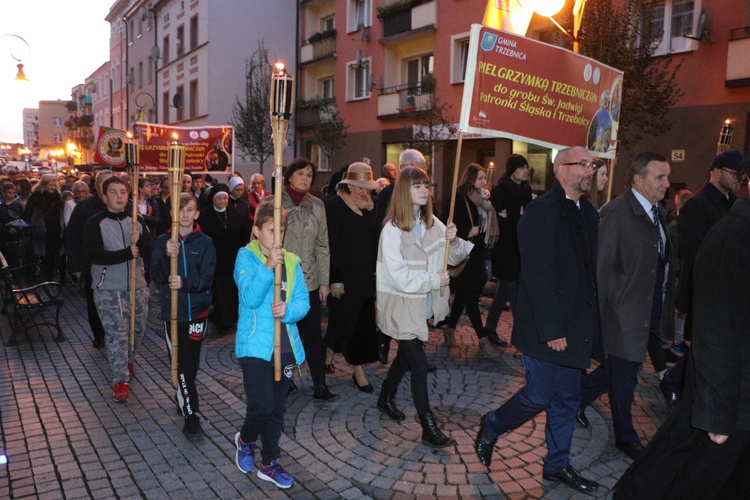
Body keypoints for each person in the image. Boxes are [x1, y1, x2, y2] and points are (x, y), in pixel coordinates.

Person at [612, 170, 750, 498]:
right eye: (659, 176)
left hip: (729, 396)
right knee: (687, 478)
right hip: (731, 400)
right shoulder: (733, 235)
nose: (664, 184)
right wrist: (716, 412)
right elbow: (716, 327)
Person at [474, 146, 601, 493]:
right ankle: (492, 425)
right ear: (562, 170)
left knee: (567, 400)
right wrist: (552, 329)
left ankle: (557, 464)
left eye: (594, 164)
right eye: (584, 164)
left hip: (575, 325)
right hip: (548, 327)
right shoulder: (541, 211)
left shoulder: (589, 213)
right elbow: (537, 274)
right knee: (538, 397)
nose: (591, 170)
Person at [577, 152, 675, 460]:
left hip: (647, 311)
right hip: (622, 314)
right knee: (625, 377)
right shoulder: (617, 213)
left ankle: (572, 398)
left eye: (667, 176)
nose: (667, 183)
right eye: (660, 177)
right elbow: (601, 269)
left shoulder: (657, 212)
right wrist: (598, 323)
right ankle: (625, 436)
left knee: (617, 371)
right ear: (638, 178)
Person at [377, 166, 472, 447]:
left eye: (426, 185)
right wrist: (433, 279)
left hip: (421, 305)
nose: (424, 190)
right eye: (417, 186)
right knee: (418, 364)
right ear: (404, 192)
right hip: (401, 304)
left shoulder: (432, 223)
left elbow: (452, 258)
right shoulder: (392, 231)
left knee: (405, 358)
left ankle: (385, 396)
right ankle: (428, 427)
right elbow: (398, 276)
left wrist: (453, 240)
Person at [233, 201, 309, 489]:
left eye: (282, 229)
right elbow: (250, 298)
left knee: (277, 409)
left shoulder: (292, 261)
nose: (277, 235)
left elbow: (303, 302)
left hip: (285, 345)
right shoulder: (246, 257)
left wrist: (287, 311)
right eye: (270, 229)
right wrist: (268, 266)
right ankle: (246, 440)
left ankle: (269, 462)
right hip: (255, 345)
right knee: (261, 405)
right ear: (256, 231)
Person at [664, 149, 744, 407]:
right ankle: (677, 387)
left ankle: (678, 386)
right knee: (701, 349)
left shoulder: (730, 202)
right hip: (705, 294)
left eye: (741, 175)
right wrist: (687, 303)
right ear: (716, 172)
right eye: (734, 174)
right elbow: (693, 258)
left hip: (721, 293)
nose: (739, 179)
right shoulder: (698, 205)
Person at [269, 158, 336, 401]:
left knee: (313, 335)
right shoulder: (273, 203)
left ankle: (320, 384)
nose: (305, 178)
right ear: (289, 176)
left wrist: (324, 282)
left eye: (309, 175)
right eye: (301, 173)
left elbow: (323, 245)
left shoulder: (317, 205)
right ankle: (283, 380)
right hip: (280, 280)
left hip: (308, 281)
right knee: (282, 334)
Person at [151, 194, 216, 438]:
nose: (185, 215)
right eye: (180, 210)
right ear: (172, 214)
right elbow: (156, 276)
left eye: (189, 210)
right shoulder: (163, 241)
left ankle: (183, 394)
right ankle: (192, 415)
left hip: (197, 313)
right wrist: (168, 257)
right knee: (181, 364)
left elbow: (208, 278)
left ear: (197, 214)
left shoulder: (206, 242)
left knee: (192, 364)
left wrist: (185, 283)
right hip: (174, 315)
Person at [84, 176, 152, 403]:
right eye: (113, 192)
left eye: (123, 192)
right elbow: (93, 254)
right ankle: (120, 380)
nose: (119, 196)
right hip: (109, 289)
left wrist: (139, 241)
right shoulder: (96, 222)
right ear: (105, 196)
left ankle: (129, 358)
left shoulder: (137, 221)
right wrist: (126, 252)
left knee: (137, 329)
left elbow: (151, 250)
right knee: (117, 335)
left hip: (137, 286)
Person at [324, 162, 381, 391]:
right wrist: (334, 277)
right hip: (343, 278)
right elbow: (330, 245)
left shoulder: (371, 206)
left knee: (347, 322)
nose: (364, 191)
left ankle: (328, 355)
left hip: (365, 277)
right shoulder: (333, 206)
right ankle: (358, 370)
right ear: (348, 186)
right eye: (359, 187)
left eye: (367, 187)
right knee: (350, 322)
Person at [441, 163, 498, 357]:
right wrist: (466, 231)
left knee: (465, 295)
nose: (484, 182)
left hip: (477, 254)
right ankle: (483, 341)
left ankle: (449, 331)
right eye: (480, 178)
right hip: (464, 255)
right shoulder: (459, 197)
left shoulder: (481, 200)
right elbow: (444, 222)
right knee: (471, 297)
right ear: (471, 179)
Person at [484, 154, 533, 347]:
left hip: (520, 248)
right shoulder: (500, 190)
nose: (525, 171)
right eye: (521, 168)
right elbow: (500, 223)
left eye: (526, 168)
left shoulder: (526, 191)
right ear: (512, 170)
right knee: (515, 296)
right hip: (504, 250)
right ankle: (524, 339)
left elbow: (527, 220)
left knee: (502, 293)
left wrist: (513, 217)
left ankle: (489, 329)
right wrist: (516, 218)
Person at [66, 170, 113, 348]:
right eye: (104, 183)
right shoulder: (84, 207)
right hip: (91, 265)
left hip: (116, 265)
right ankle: (98, 334)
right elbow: (72, 237)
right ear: (96, 186)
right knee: (94, 302)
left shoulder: (123, 204)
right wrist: (75, 266)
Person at [197, 184, 245, 335]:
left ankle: (231, 317)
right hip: (215, 258)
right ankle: (222, 320)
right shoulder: (205, 215)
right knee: (218, 290)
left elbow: (242, 233)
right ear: (213, 199)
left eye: (225, 198)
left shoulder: (234, 213)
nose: (223, 201)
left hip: (232, 258)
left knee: (231, 289)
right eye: (219, 198)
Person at [24, 173, 64, 281]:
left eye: (54, 185)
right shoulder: (37, 196)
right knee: (43, 254)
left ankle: (50, 277)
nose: (52, 187)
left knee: (53, 253)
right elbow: (29, 212)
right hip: (42, 228)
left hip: (54, 228)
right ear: (44, 185)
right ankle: (45, 276)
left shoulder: (57, 196)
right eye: (50, 185)